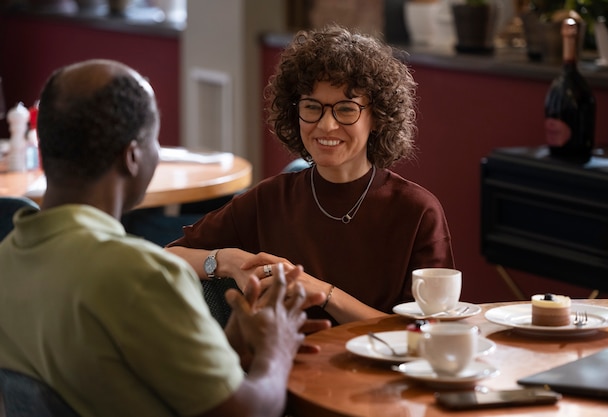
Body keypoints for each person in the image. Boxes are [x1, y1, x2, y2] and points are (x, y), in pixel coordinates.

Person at [0, 59, 328, 417]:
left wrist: (227, 348)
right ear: (133, 157)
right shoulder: (140, 275)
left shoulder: (8, 257)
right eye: (154, 140)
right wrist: (276, 350)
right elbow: (248, 412)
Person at [166, 25, 454, 325]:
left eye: (345, 109)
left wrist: (324, 293)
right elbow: (167, 257)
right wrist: (226, 260)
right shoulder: (270, 199)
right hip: (285, 367)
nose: (326, 126)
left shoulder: (417, 211)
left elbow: (427, 330)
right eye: (312, 107)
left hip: (386, 370)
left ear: (377, 118)